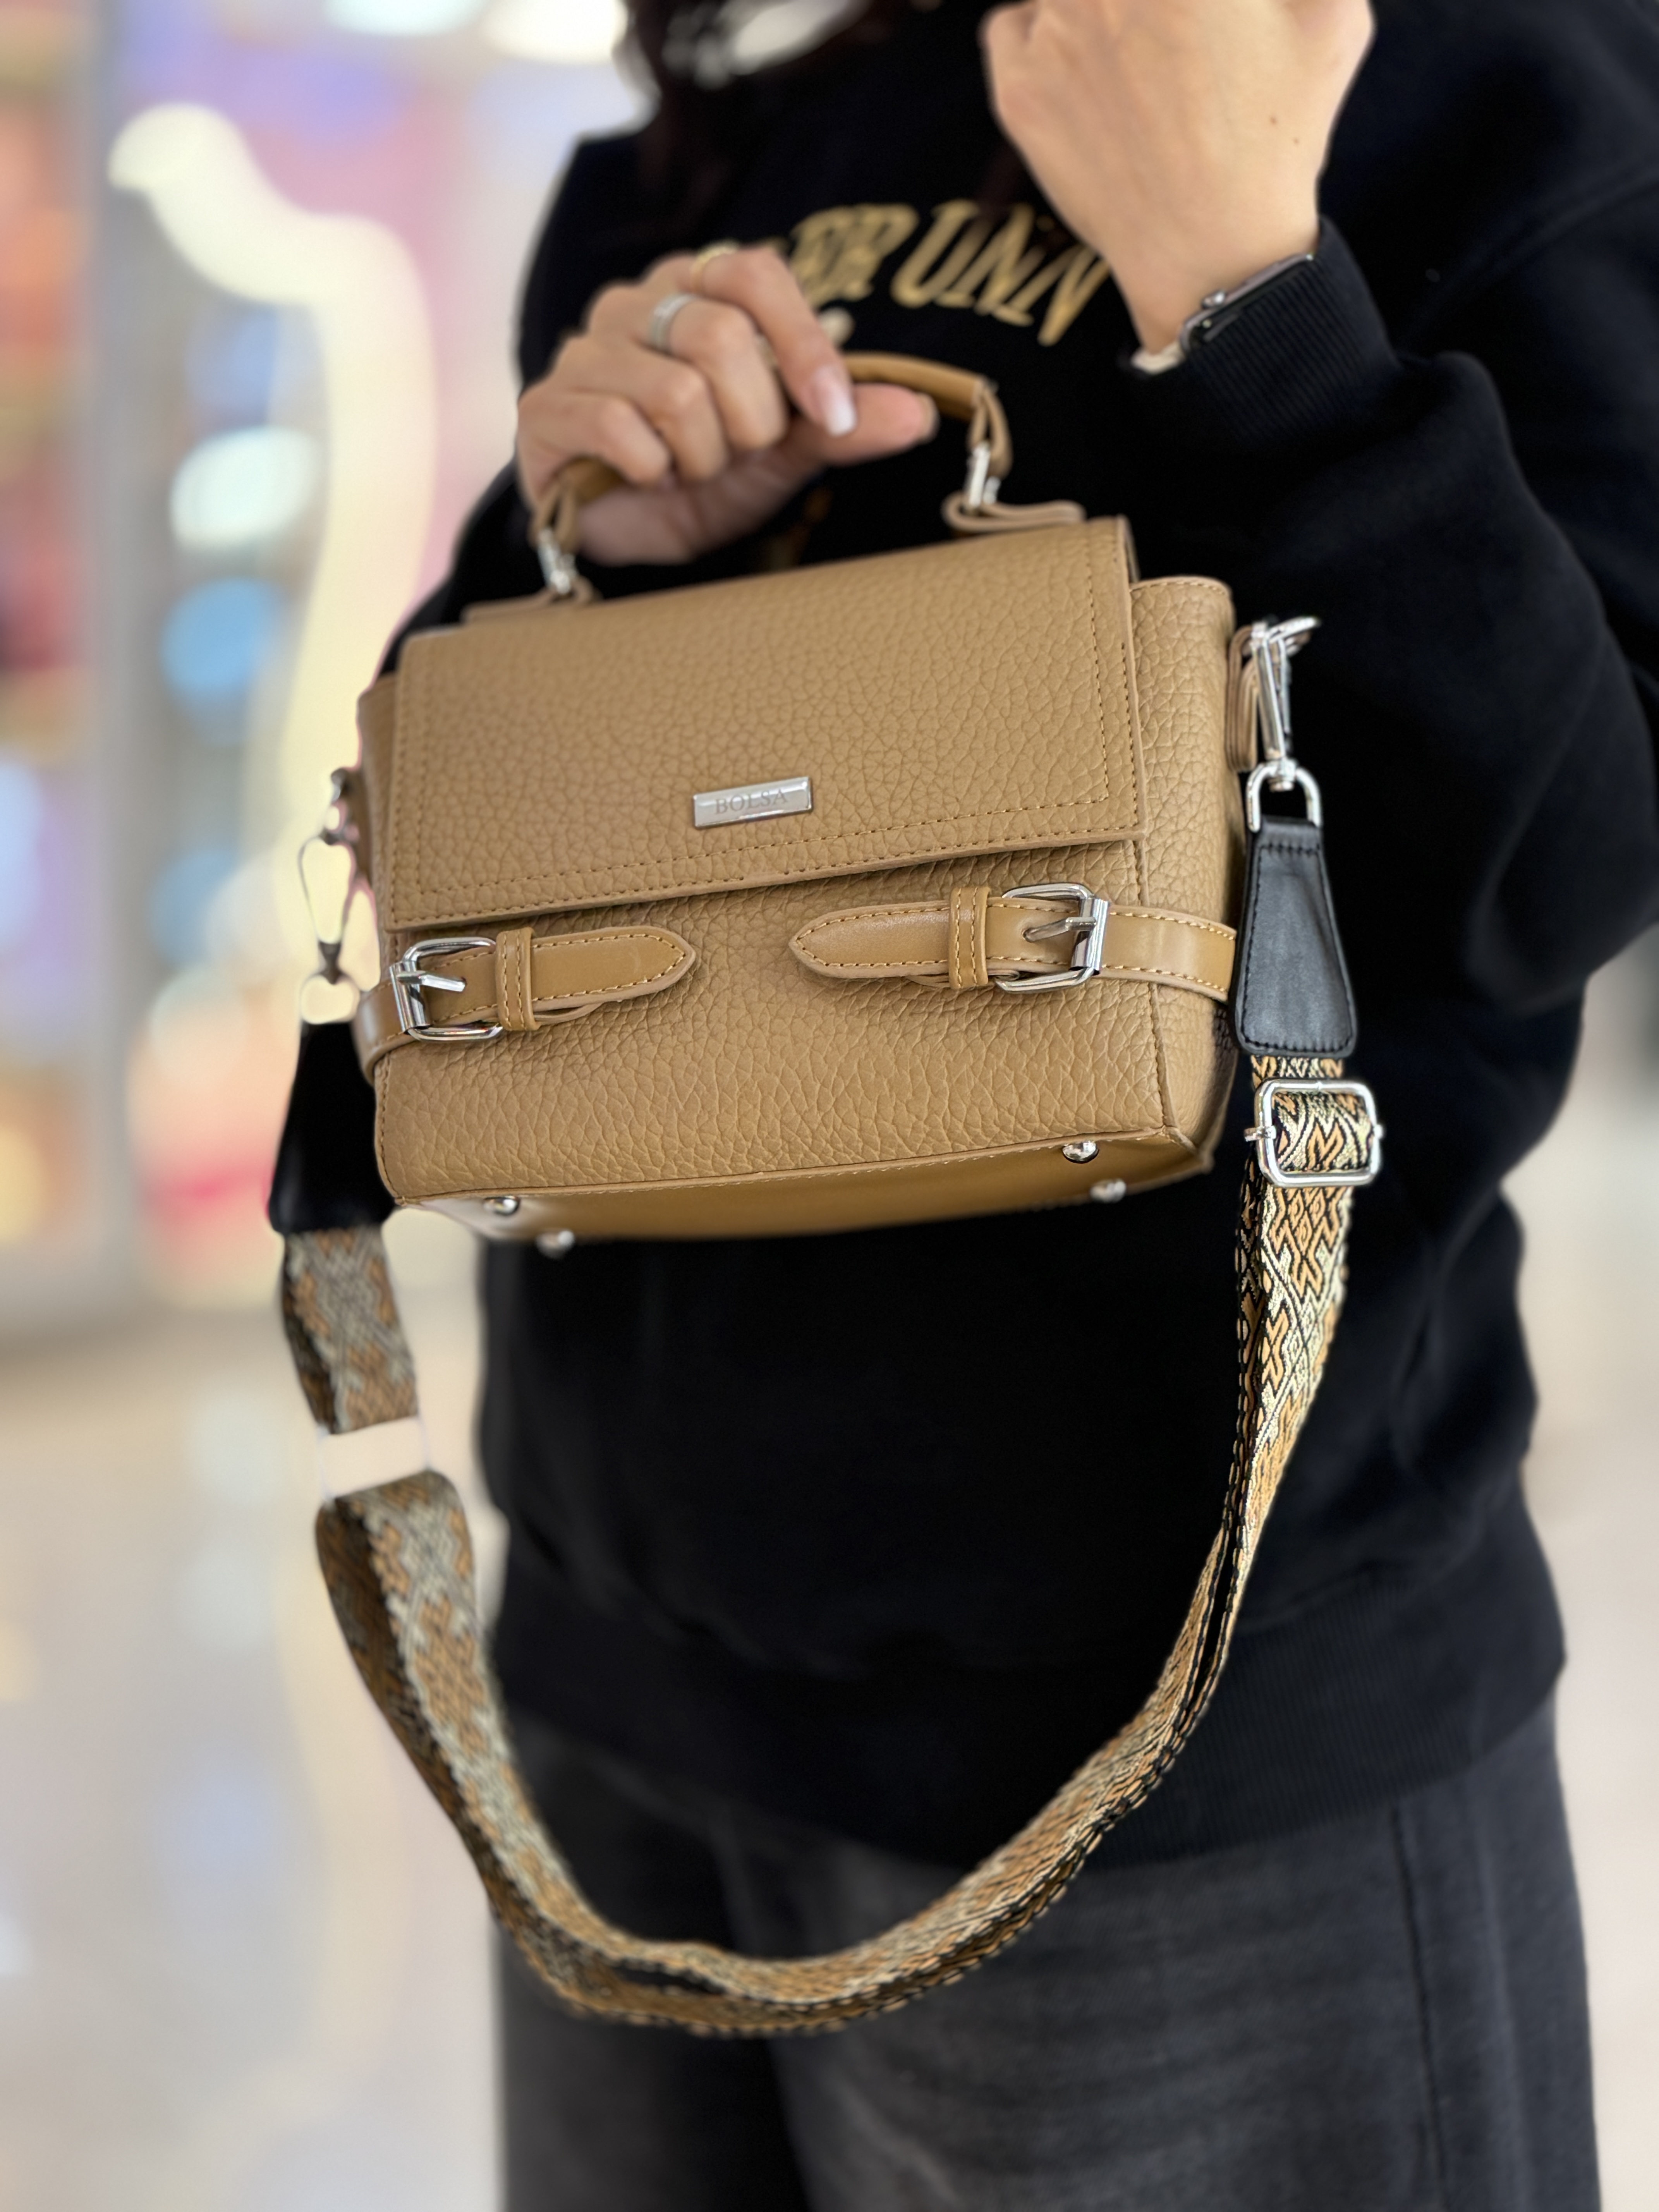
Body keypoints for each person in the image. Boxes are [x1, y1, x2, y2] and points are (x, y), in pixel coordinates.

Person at [311, 0, 1659, 2200]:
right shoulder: (707, 118)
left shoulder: (1449, 60)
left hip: (1192, 1734)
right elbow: (481, 859)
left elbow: (1562, 864)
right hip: (614, 1664)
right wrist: (571, 542)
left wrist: (1243, 286)